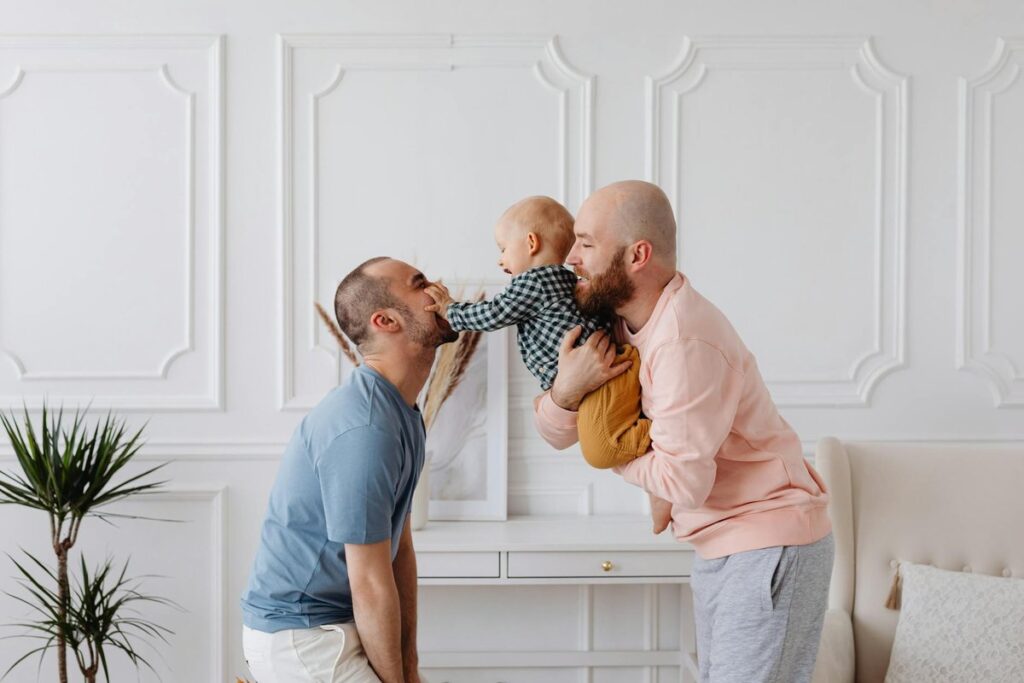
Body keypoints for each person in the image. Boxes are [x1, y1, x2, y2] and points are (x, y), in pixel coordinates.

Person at [533, 180, 834, 683]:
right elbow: (555, 434)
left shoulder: (682, 340)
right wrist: (567, 391)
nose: (571, 258)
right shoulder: (612, 324)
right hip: (720, 540)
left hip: (768, 541)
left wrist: (607, 447)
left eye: (586, 243)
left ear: (637, 255)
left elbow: (682, 482)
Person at [241, 257, 454, 683]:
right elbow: (371, 581)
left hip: (340, 621)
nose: (438, 288)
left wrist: (409, 668)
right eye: (420, 284)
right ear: (386, 320)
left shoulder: (402, 411)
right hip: (301, 636)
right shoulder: (366, 427)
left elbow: (400, 550)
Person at [425, 196, 662, 486]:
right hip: (603, 377)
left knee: (603, 451)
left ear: (531, 243)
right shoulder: (566, 279)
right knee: (601, 436)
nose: (500, 259)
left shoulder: (532, 283)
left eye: (503, 249)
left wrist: (450, 309)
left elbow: (493, 314)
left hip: (603, 382)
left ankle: (661, 435)